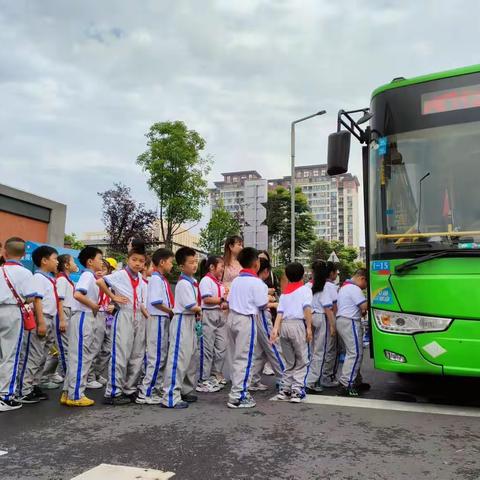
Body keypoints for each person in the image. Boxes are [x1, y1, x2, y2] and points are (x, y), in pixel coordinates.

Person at [98, 243, 148, 405]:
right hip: (124, 315)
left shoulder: (140, 278)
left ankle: (130, 388)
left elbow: (139, 300)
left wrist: (146, 314)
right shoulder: (120, 275)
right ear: (128, 260)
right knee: (120, 354)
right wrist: (114, 297)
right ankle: (113, 392)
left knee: (137, 355)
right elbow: (100, 282)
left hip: (138, 317)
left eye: (141, 261)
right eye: (134, 260)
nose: (137, 263)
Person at [62, 246, 106, 407]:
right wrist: (93, 305)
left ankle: (68, 392)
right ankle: (75, 395)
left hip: (83, 317)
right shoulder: (87, 275)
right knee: (82, 357)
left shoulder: (90, 275)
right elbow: (78, 294)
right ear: (90, 261)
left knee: (78, 357)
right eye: (100, 259)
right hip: (83, 316)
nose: (102, 262)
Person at [17, 245, 60, 404]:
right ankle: (23, 390)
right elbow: (37, 300)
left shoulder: (48, 278)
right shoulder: (38, 278)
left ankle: (33, 384)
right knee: (32, 356)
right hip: (41, 319)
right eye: (54, 259)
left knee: (42, 356)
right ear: (44, 260)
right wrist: (41, 322)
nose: (57, 262)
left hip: (49, 318)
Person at [226, 247, 268, 409]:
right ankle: (238, 396)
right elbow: (262, 304)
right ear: (256, 263)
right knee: (245, 359)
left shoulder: (236, 280)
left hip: (232, 318)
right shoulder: (257, 282)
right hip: (246, 320)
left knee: (236, 358)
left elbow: (229, 299)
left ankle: (236, 392)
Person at [161, 247, 201, 409]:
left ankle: (184, 390)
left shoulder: (192, 282)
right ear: (182, 265)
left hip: (190, 321)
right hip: (182, 321)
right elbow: (192, 306)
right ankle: (170, 396)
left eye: (196, 262)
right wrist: (202, 309)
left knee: (190, 358)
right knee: (178, 359)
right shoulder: (183, 283)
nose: (195, 265)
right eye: (191, 262)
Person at [270, 262, 313, 403]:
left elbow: (280, 313)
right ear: (302, 276)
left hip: (284, 326)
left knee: (289, 361)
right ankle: (297, 390)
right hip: (298, 325)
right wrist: (308, 328)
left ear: (287, 277)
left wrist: (275, 329)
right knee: (302, 360)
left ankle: (285, 389)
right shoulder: (305, 290)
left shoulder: (284, 294)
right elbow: (307, 309)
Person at [137, 248, 175, 405]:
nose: (172, 265)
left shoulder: (160, 279)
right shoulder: (156, 279)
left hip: (162, 319)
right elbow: (156, 302)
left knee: (161, 356)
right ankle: (146, 392)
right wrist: (172, 311)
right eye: (171, 262)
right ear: (162, 262)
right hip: (158, 318)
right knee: (156, 357)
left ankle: (155, 388)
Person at [0, 238, 34, 411]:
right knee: (10, 355)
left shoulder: (0, 269)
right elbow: (29, 297)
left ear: (5, 253)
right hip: (12, 312)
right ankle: (5, 396)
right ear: (23, 254)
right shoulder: (26, 273)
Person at [250, 258, 285, 392]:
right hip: (262, 316)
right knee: (273, 346)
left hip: (253, 318)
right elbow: (260, 304)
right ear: (265, 271)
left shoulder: (250, 282)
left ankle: (253, 379)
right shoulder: (260, 284)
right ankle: (284, 378)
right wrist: (271, 302)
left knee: (260, 351)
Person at [196, 256, 228, 393]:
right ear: (212, 267)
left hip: (220, 315)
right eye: (221, 266)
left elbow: (222, 301)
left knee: (221, 347)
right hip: (209, 315)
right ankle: (203, 379)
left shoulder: (219, 283)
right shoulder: (206, 280)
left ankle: (215, 374)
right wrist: (222, 299)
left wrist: (225, 302)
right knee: (207, 349)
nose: (222, 269)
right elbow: (207, 299)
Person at [336, 269, 369, 397]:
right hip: (349, 321)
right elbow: (364, 306)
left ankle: (355, 380)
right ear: (362, 278)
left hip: (343, 320)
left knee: (354, 352)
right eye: (366, 283)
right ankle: (346, 384)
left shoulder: (344, 287)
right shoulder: (355, 289)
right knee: (354, 353)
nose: (366, 287)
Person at [305, 260, 335, 393]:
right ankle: (312, 381)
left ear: (312, 272)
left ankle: (306, 378)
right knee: (319, 351)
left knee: (309, 351)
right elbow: (328, 308)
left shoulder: (307, 286)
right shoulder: (325, 287)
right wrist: (333, 326)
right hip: (321, 318)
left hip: (308, 317)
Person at [54, 254, 79, 383]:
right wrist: (62, 319)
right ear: (66, 265)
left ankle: (52, 374)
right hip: (63, 312)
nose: (76, 265)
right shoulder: (62, 280)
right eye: (73, 261)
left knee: (65, 347)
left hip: (68, 312)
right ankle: (67, 376)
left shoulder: (68, 279)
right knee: (64, 348)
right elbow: (60, 300)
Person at [86, 260, 110, 390]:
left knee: (107, 349)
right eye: (101, 268)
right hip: (98, 314)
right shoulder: (93, 281)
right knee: (94, 347)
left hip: (108, 317)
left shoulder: (110, 285)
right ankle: (89, 377)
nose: (102, 271)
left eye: (105, 269)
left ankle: (97, 373)